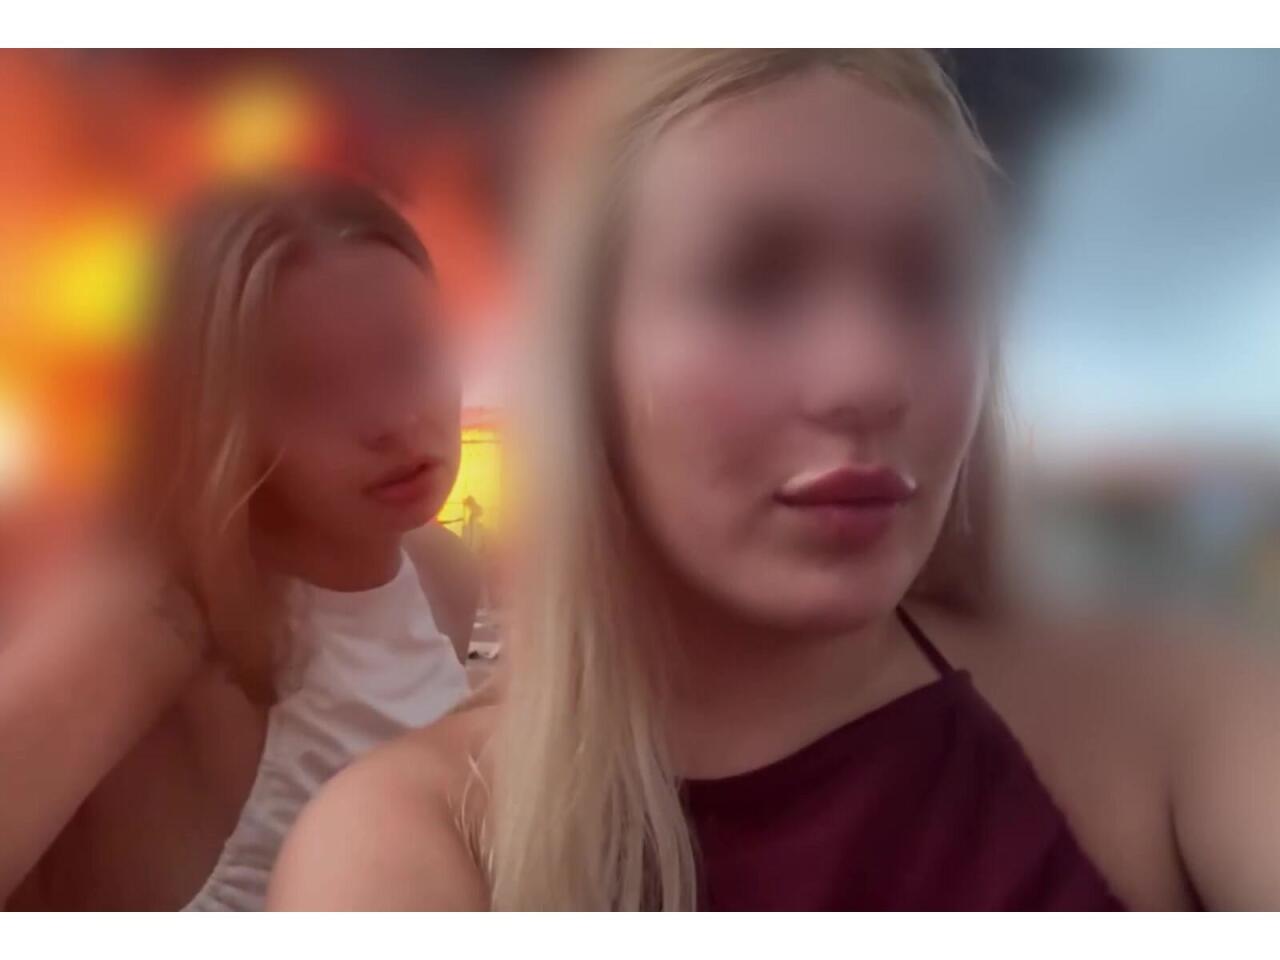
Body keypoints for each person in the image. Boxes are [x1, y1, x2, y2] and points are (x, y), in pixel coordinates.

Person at [268, 50, 1280, 911]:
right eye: (755, 279)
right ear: (588, 365)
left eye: (929, 281)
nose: (868, 375)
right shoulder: (408, 846)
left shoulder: (1177, 718)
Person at [0, 175, 475, 910]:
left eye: (408, 355)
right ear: (222, 417)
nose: (391, 420)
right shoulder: (159, 615)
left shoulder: (443, 574)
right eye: (310, 385)